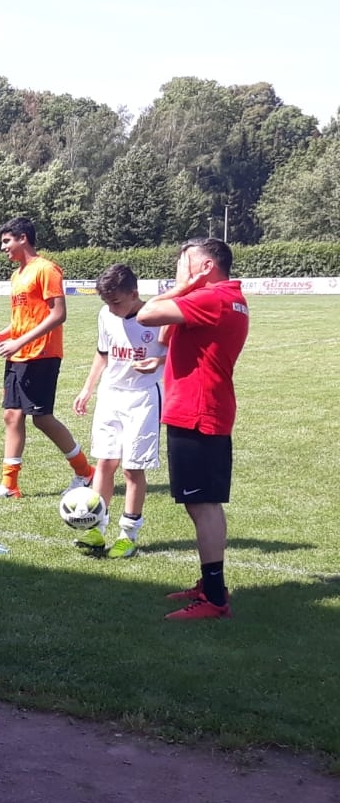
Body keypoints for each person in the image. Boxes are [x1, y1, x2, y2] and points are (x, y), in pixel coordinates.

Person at [136, 238, 249, 620]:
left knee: (203, 504)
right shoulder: (225, 297)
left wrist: (183, 286)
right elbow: (166, 335)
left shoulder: (212, 297)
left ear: (205, 266)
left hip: (198, 411)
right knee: (199, 501)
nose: (177, 272)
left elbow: (146, 315)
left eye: (183, 264)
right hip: (201, 407)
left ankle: (215, 598)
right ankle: (210, 585)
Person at [0, 217, 95, 500]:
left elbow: (58, 314)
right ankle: (9, 485)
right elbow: (22, 321)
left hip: (41, 354)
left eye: (7, 241)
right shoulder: (17, 275)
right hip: (19, 354)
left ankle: (85, 471)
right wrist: (2, 336)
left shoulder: (46, 269)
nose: (3, 247)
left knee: (41, 418)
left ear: (23, 238)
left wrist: (19, 341)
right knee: (11, 415)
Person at [71, 263, 167, 559]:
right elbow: (103, 354)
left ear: (134, 294)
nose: (111, 309)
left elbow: (177, 352)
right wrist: (87, 388)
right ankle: (96, 529)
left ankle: (128, 535)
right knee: (105, 463)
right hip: (110, 395)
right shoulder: (105, 315)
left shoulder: (158, 318)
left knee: (132, 468)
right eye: (106, 302)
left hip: (143, 397)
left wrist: (159, 362)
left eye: (116, 302)